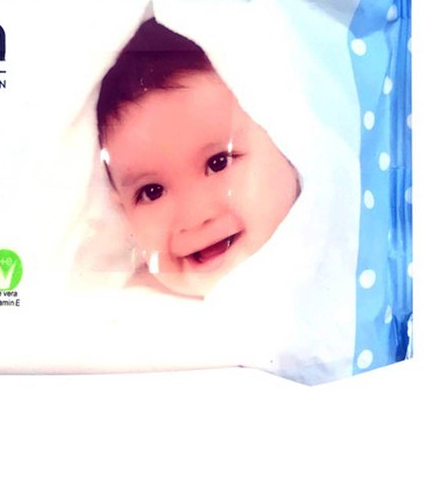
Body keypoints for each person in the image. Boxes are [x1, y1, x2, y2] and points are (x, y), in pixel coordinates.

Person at [96, 18, 300, 299]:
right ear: (122, 211)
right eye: (152, 192)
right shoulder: (128, 305)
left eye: (219, 163)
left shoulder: (342, 255)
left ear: (287, 144)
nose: (195, 216)